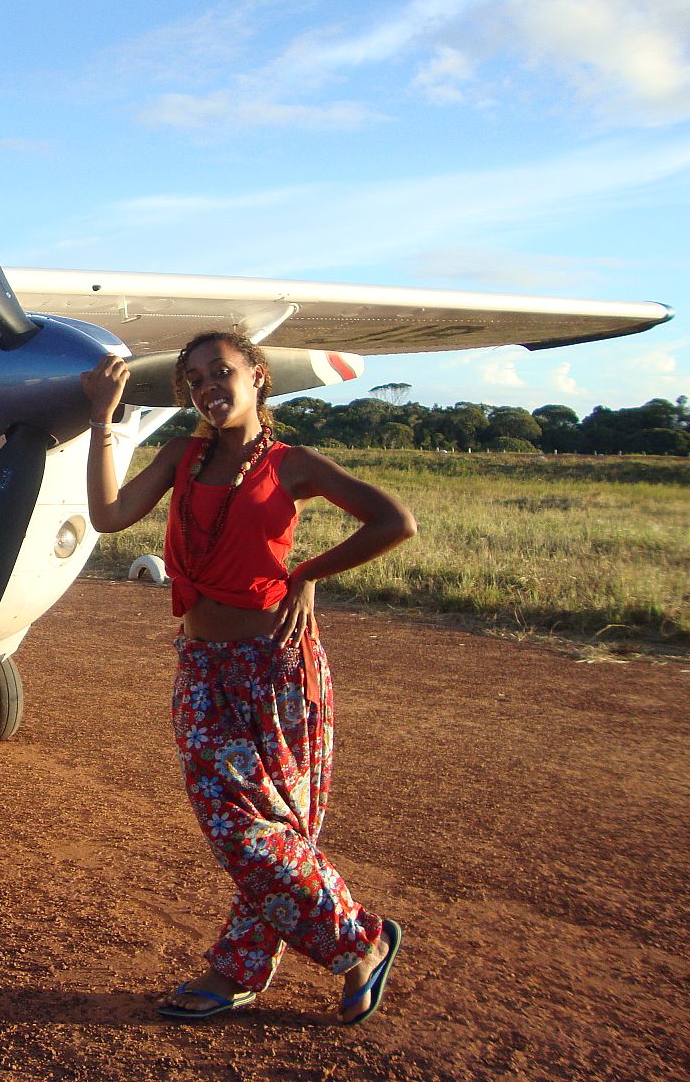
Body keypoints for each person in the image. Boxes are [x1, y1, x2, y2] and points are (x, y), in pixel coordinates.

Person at [82, 330, 416, 1026]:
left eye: (221, 371)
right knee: (237, 826)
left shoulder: (295, 464)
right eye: (195, 377)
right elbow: (110, 516)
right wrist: (101, 419)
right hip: (204, 666)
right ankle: (360, 939)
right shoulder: (182, 455)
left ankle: (240, 967)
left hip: (277, 668)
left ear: (258, 377)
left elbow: (394, 521)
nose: (207, 385)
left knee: (271, 831)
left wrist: (308, 574)